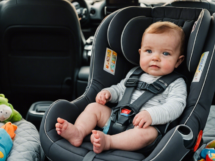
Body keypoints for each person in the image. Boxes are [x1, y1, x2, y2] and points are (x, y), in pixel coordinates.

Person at [55, 21, 187, 153]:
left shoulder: (176, 83)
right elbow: (120, 89)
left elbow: (176, 106)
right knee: (93, 108)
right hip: (117, 118)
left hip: (145, 127)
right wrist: (109, 93)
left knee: (147, 134)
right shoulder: (134, 73)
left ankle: (109, 142)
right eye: (149, 51)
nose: (155, 57)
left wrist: (151, 115)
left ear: (178, 61)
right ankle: (78, 132)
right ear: (140, 53)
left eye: (165, 54)